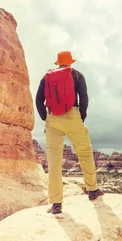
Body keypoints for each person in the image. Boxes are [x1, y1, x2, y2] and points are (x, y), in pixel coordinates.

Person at [35, 51, 104, 214]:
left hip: (53, 120)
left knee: (53, 161)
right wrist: (80, 118)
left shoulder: (47, 77)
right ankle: (93, 190)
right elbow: (84, 99)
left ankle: (56, 203)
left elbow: (38, 100)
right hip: (73, 116)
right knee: (85, 153)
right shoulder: (77, 75)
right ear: (70, 62)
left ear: (57, 63)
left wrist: (47, 118)